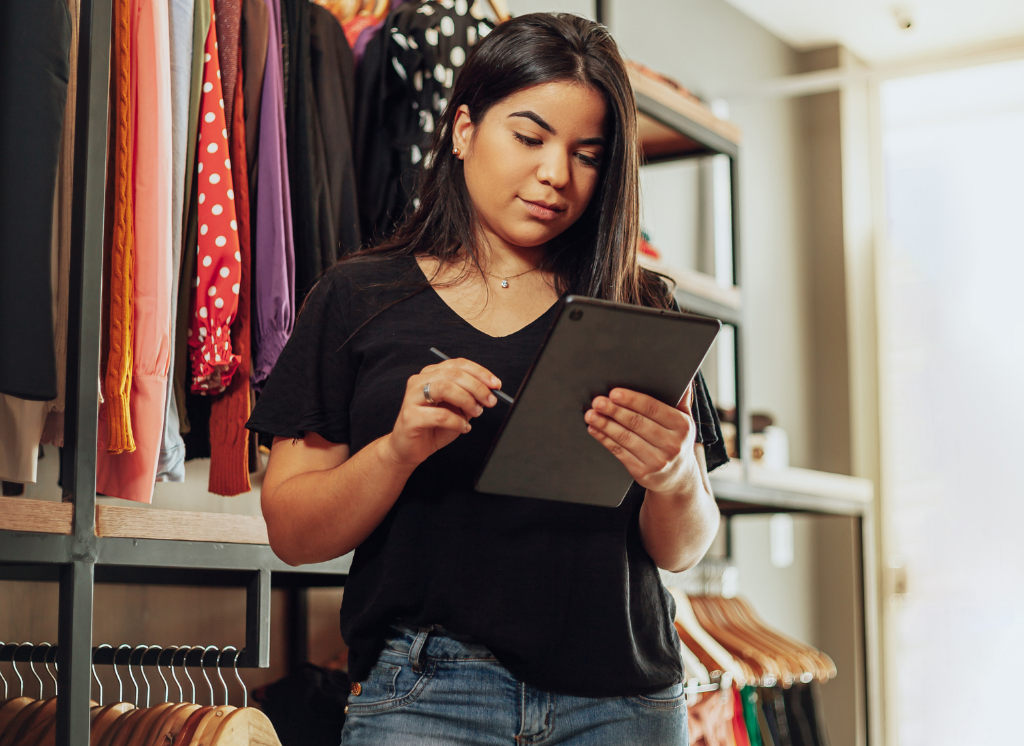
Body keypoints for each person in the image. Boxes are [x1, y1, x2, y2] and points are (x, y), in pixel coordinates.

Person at [246, 12, 729, 745]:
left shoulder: (640, 305)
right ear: (464, 129)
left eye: (588, 154)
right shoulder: (358, 295)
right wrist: (396, 450)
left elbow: (682, 548)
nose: (556, 175)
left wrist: (676, 478)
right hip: (426, 698)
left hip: (622, 702)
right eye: (530, 138)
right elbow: (291, 530)